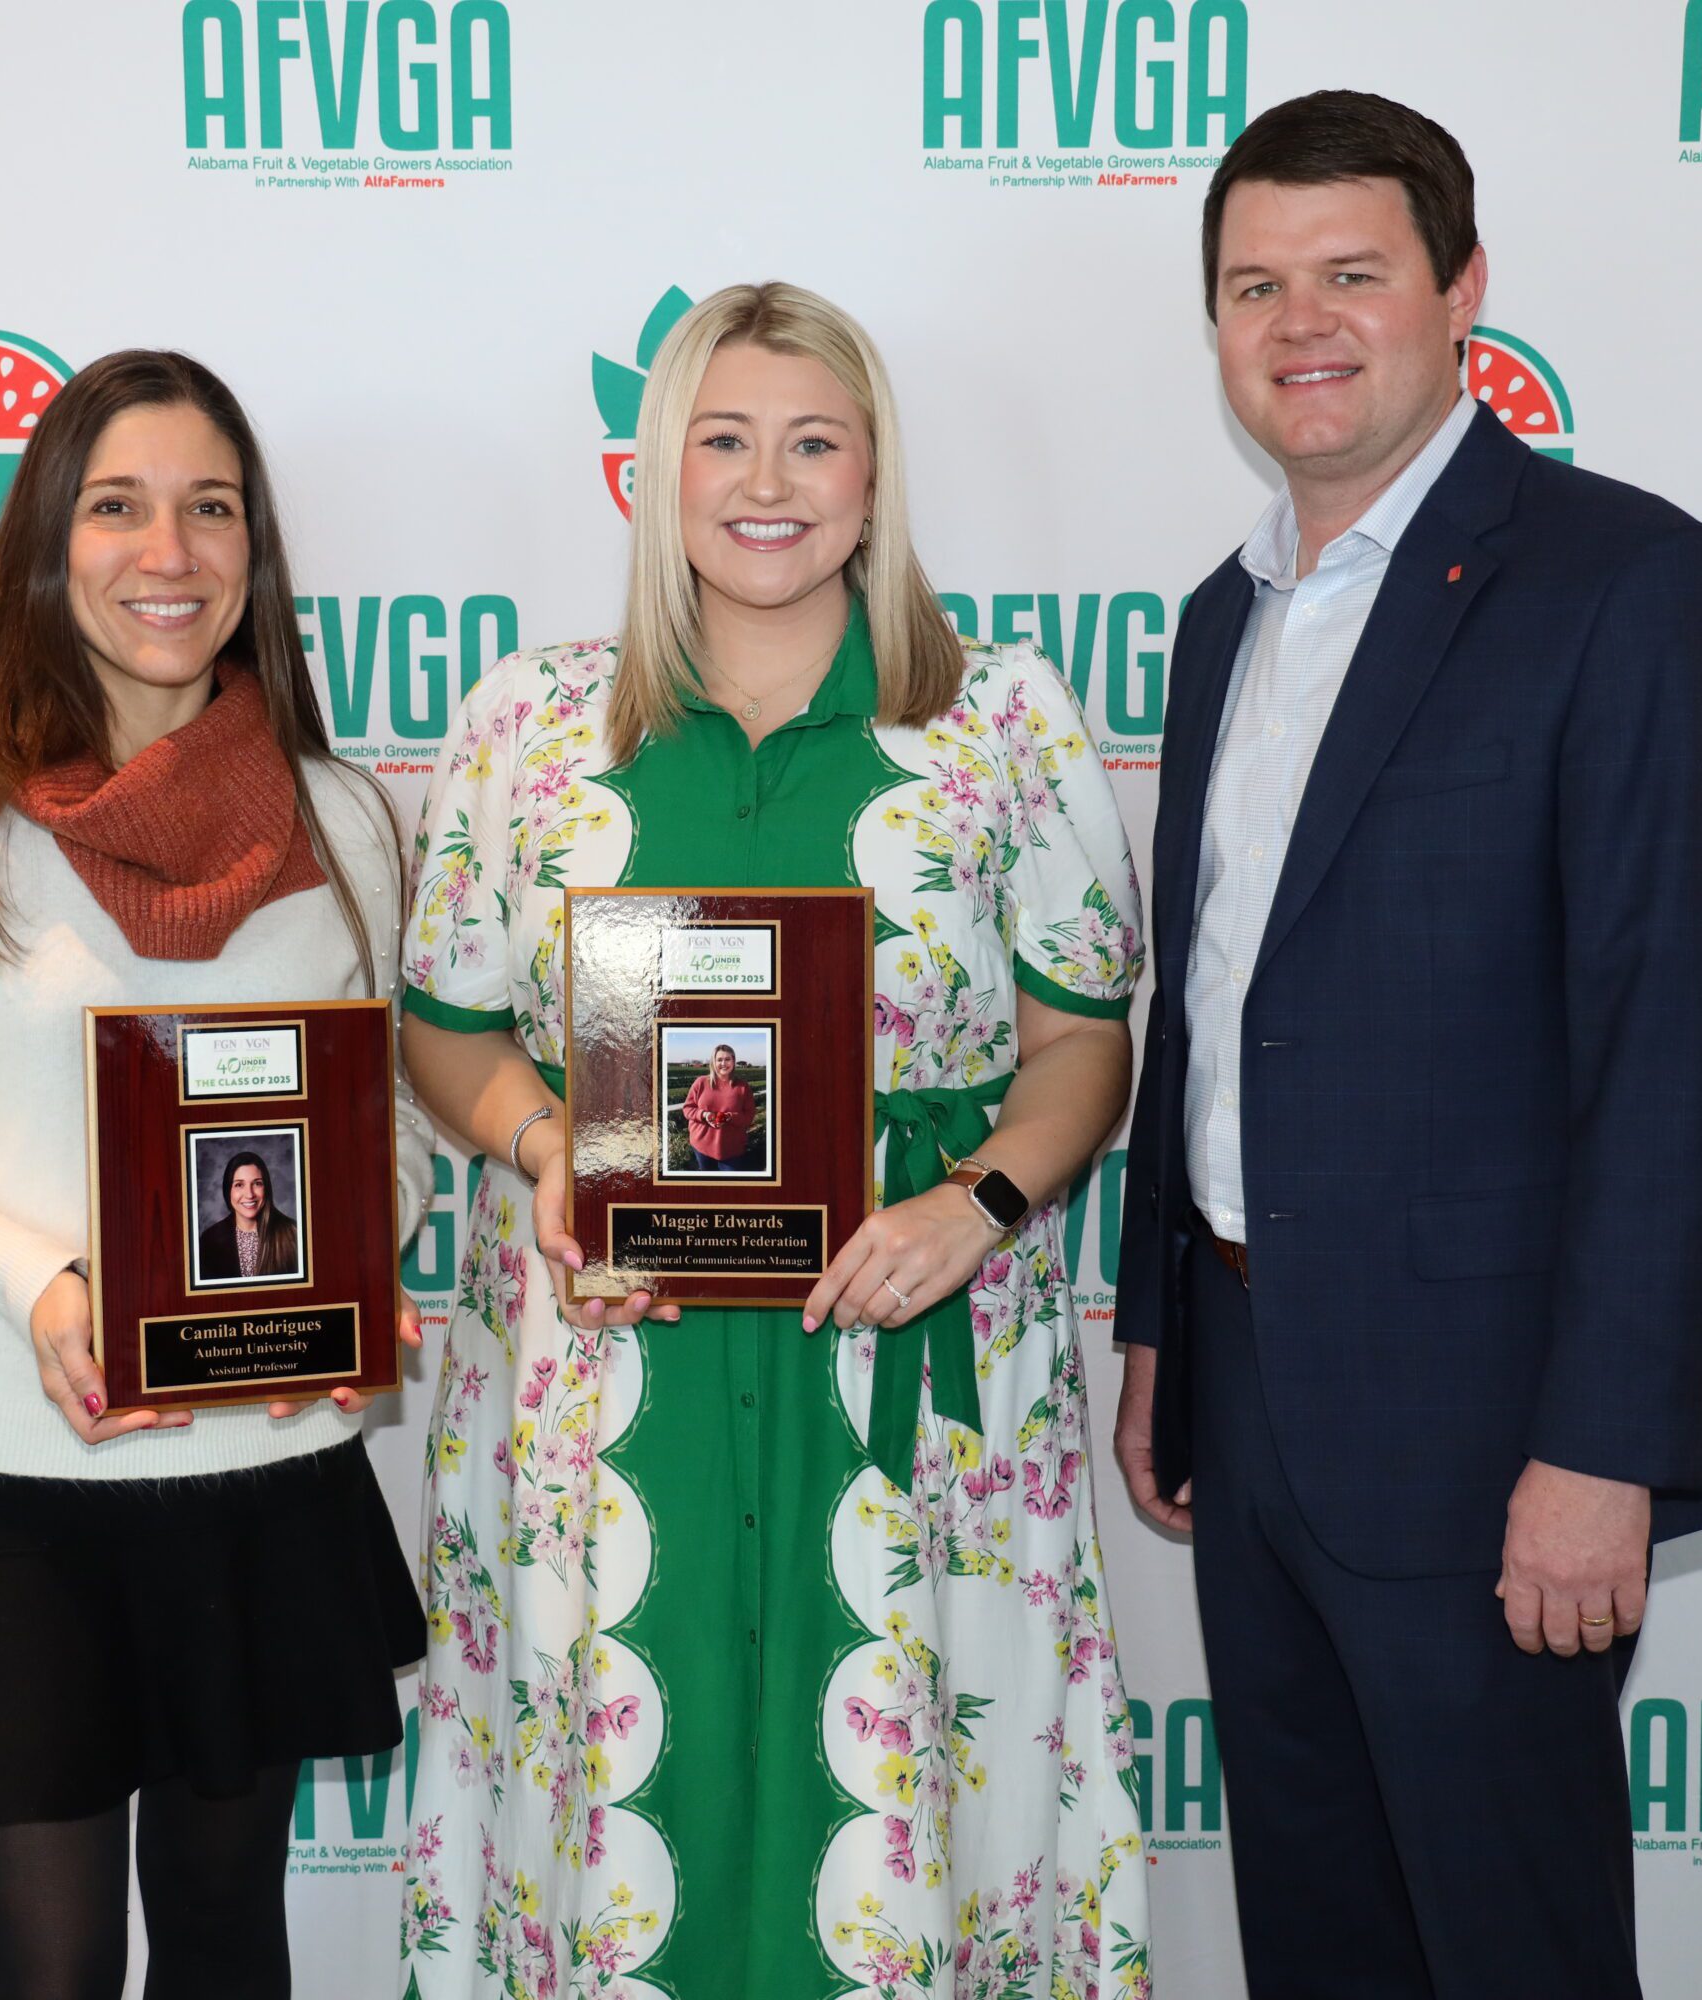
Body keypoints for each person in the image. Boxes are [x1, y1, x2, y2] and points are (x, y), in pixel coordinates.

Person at [394, 282, 1152, 1997]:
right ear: (659, 472)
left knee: (904, 1809)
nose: (767, 482)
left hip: (913, 1347)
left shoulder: (1004, 720)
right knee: (613, 1803)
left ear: (874, 477)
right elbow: (445, 1027)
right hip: (607, 1368)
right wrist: (545, 1144)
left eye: (814, 442)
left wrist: (979, 1200)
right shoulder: (529, 724)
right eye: (723, 440)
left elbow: (1083, 1045)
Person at [1109, 91, 1702, 1998]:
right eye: (1255, 285)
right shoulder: (1220, 619)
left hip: (1492, 1432)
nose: (1301, 323)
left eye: (1353, 273)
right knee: (1320, 1943)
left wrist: (1601, 1451)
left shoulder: (1625, 581)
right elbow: (1214, 1002)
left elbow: (1675, 1049)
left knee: (1511, 1951)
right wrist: (1162, 1333)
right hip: (1249, 1394)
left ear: (1463, 289)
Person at [0, 349, 432, 2000]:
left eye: (213, 509)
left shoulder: (345, 820)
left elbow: (388, 1123)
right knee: (45, 1970)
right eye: (119, 506)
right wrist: (31, 1277)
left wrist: (343, 1266)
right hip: (20, 1486)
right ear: (50, 542)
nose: (169, 552)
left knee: (226, 1941)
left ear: (257, 550)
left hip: (265, 1477)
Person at [199, 1149, 299, 1279]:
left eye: (257, 1183)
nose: (250, 1194)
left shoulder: (294, 1233)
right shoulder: (210, 1240)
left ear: (266, 1188)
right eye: (239, 1185)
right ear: (228, 1191)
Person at [677, 1041, 762, 1173]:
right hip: (701, 1145)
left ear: (733, 1061)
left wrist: (729, 1117)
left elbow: (749, 1116)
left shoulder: (742, 1087)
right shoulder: (701, 1082)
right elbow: (687, 1109)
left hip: (731, 1149)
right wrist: (704, 1115)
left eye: (727, 1059)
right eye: (719, 1060)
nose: (723, 1063)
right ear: (713, 1062)